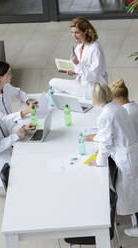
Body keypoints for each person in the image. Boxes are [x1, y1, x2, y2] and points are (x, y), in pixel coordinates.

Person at [86, 82, 138, 228]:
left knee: (133, 195)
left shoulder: (105, 115)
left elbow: (106, 143)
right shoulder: (118, 108)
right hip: (132, 153)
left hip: (126, 159)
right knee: (135, 194)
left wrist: (99, 161)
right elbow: (115, 134)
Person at [49, 16, 108, 99]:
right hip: (81, 84)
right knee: (55, 87)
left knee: (53, 82)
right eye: (72, 32)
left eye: (77, 32)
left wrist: (77, 63)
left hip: (93, 88)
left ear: (85, 31)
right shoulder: (79, 46)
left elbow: (93, 76)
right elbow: (80, 69)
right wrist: (73, 71)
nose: (74, 36)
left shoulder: (95, 48)